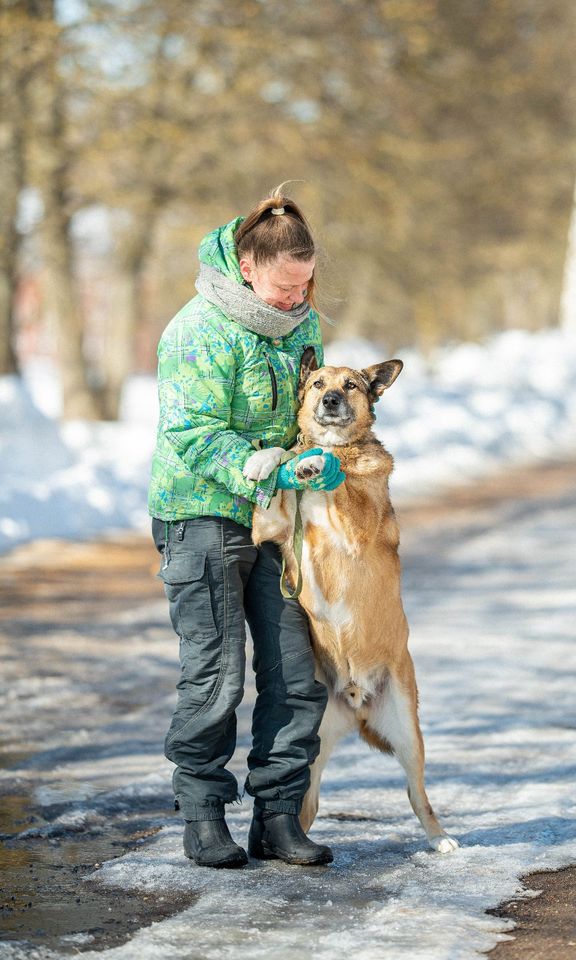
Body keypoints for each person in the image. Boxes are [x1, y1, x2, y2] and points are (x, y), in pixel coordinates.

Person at [148, 186, 344, 869]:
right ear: (247, 268)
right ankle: (203, 815)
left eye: (305, 286)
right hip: (202, 513)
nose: (295, 301)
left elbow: (307, 412)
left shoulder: (303, 329)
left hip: (278, 519)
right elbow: (193, 432)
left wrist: (318, 456)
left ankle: (278, 816)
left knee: (296, 673)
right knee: (216, 677)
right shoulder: (196, 330)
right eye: (283, 287)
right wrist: (265, 469)